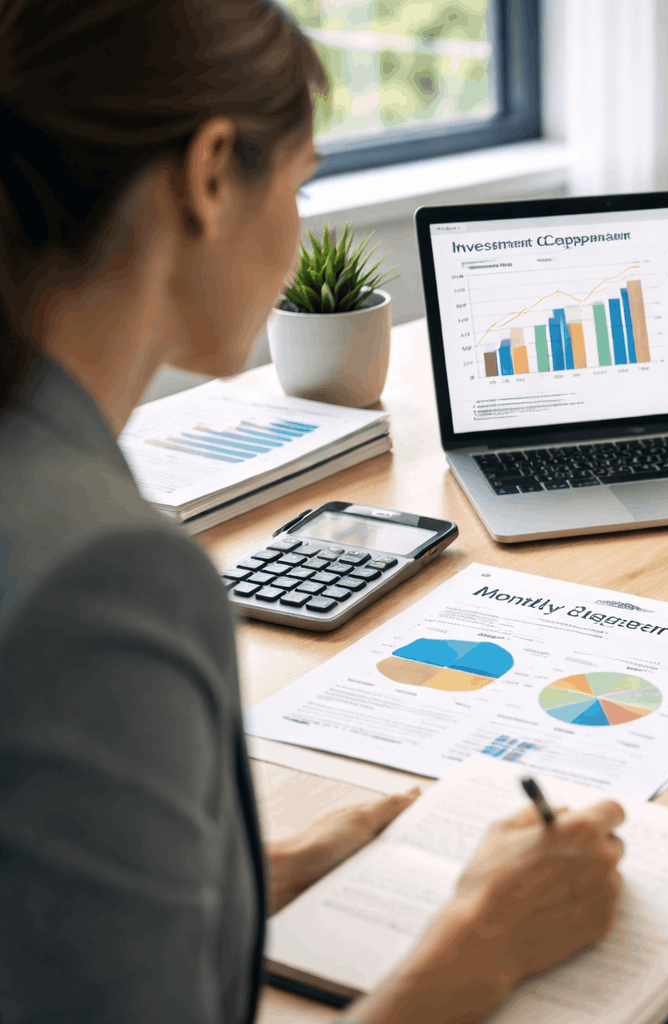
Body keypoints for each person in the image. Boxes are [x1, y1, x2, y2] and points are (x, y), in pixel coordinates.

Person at [0, 4, 624, 1022]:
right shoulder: (101, 570)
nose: (297, 237)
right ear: (210, 175)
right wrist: (490, 938)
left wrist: (267, 871)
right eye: (299, 184)